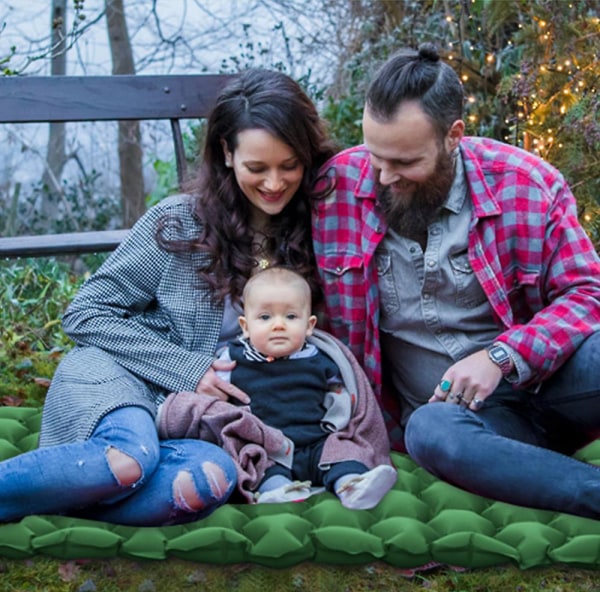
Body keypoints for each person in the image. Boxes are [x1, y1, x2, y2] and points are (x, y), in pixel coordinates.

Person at [0, 68, 336, 526]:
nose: (274, 183)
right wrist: (189, 369)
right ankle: (101, 475)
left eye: (289, 165)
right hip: (122, 378)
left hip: (196, 423)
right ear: (226, 153)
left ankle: (69, 495)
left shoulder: (320, 231)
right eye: (257, 168)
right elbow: (86, 313)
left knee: (208, 482)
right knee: (130, 461)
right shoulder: (180, 222)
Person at [312, 42, 600, 519]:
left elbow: (588, 293)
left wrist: (502, 357)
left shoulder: (526, 184)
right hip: (461, 426)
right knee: (430, 433)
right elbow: (257, 217)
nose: (384, 177)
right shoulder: (332, 193)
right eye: (375, 156)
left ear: (453, 136)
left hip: (552, 386)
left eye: (405, 163)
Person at [157, 266, 397, 509]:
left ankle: (352, 486)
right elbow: (213, 404)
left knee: (345, 452)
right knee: (255, 463)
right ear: (246, 326)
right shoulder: (232, 360)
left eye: (291, 317)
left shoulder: (319, 358)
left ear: (310, 325)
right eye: (265, 317)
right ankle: (279, 491)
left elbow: (343, 395)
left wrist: (339, 420)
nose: (279, 325)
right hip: (268, 446)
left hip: (318, 442)